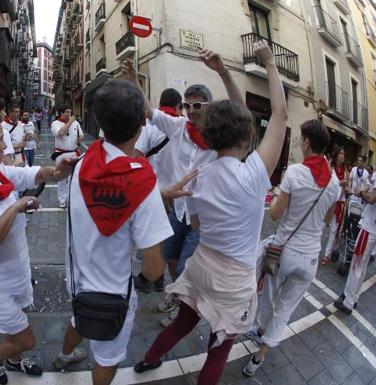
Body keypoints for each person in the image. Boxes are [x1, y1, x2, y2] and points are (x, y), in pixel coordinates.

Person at [131, 41, 288, 385]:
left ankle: (148, 359)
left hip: (203, 264)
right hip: (234, 279)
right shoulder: (255, 174)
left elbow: (198, 222)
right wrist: (270, 65)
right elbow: (280, 115)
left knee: (183, 322)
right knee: (219, 349)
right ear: (247, 135)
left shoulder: (200, 176)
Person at [53, 79, 182, 385]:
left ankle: (64, 356)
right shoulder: (143, 184)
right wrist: (155, 201)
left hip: (77, 279)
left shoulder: (82, 162)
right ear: (142, 123)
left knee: (79, 320)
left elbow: (114, 192)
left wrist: (158, 196)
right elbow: (153, 271)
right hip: (113, 297)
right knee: (107, 361)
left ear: (97, 120)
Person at [0, 112, 77, 385]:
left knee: (18, 326)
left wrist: (58, 170)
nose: (5, 145)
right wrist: (17, 206)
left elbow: (33, 174)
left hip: (16, 273)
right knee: (26, 338)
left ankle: (14, 360)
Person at [138, 47, 245, 326]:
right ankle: (178, 293)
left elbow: (241, 111)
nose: (192, 111)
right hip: (179, 210)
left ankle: (183, 304)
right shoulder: (178, 127)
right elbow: (149, 111)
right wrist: (132, 79)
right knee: (169, 258)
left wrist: (222, 71)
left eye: (198, 106)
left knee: (187, 265)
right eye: (188, 106)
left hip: (204, 219)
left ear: (209, 107)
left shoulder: (220, 137)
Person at [242, 120, 340, 375]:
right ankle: (260, 356)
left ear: (307, 142)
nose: (299, 143)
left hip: (283, 252)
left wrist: (275, 194)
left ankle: (260, 329)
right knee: (285, 308)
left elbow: (274, 214)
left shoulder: (295, 172)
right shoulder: (335, 183)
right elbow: (329, 220)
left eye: (300, 139)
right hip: (309, 258)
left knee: (270, 298)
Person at [133, 88, 183, 294]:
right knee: (168, 238)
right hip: (178, 193)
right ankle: (162, 279)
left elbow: (136, 157)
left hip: (155, 192)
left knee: (153, 236)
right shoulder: (183, 126)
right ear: (179, 106)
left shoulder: (150, 127)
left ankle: (151, 277)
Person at [334, 158, 376, 315]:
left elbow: (372, 198)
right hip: (374, 228)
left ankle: (348, 302)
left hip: (369, 228)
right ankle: (352, 296)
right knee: (360, 266)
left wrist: (360, 192)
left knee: (356, 264)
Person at [51, 105, 84, 208]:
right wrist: (70, 122)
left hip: (74, 153)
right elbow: (60, 133)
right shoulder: (55, 123)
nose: (69, 114)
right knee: (61, 178)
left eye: (70, 112)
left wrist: (80, 139)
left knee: (72, 178)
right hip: (60, 153)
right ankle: (62, 199)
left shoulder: (76, 123)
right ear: (61, 113)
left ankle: (71, 199)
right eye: (67, 112)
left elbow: (81, 135)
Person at [322, 147, 347, 265]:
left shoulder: (345, 170)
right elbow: (325, 181)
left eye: (344, 154)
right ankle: (311, 245)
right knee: (321, 225)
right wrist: (339, 183)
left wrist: (344, 186)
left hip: (339, 203)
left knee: (333, 231)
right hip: (329, 200)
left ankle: (327, 255)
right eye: (341, 153)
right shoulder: (330, 166)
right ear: (336, 154)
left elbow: (347, 188)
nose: (342, 156)